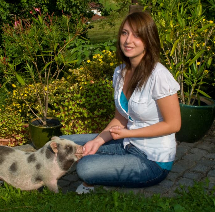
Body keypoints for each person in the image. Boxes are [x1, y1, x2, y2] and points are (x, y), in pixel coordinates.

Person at [60, 11, 181, 194]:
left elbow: (173, 124)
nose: (128, 40)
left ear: (148, 39)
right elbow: (120, 118)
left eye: (136, 35)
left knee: (85, 167)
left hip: (152, 160)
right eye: (125, 33)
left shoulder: (159, 76)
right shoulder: (121, 72)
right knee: (63, 143)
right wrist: (98, 141)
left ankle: (98, 176)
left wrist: (128, 132)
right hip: (127, 143)